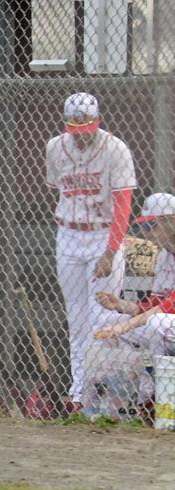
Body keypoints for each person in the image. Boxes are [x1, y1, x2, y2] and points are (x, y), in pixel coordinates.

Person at [45, 93, 136, 410]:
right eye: (75, 129)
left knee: (102, 318)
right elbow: (58, 191)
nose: (81, 135)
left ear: (98, 121)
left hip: (102, 234)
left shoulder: (115, 148)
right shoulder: (55, 147)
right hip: (68, 234)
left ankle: (106, 394)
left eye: (87, 128)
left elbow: (123, 205)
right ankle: (79, 393)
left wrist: (110, 251)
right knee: (77, 320)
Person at [95, 193, 175, 356]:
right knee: (107, 321)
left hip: (165, 322)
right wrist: (121, 305)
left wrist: (124, 327)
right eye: (144, 225)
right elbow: (156, 303)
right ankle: (132, 371)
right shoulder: (164, 255)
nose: (146, 232)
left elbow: (168, 307)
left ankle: (160, 372)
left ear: (172, 221)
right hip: (168, 323)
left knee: (156, 323)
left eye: (151, 225)